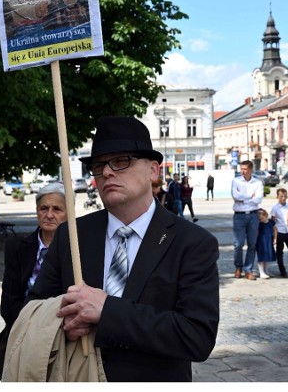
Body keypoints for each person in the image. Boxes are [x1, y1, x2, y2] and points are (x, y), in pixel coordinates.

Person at [27, 116, 219, 381]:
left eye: (120, 161)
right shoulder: (71, 235)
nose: (106, 172)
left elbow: (196, 337)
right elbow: (36, 308)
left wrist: (107, 311)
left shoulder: (192, 243)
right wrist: (62, 324)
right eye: (98, 165)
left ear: (153, 170)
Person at [0, 182, 68, 380]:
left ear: (68, 213)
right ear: (37, 212)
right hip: (24, 329)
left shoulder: (77, 250)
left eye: (57, 209)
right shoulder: (17, 246)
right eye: (44, 208)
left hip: (63, 334)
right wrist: (31, 327)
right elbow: (8, 303)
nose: (49, 214)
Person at [231, 160, 264, 280]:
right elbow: (235, 196)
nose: (242, 171)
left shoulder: (257, 183)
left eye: (245, 169)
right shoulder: (236, 181)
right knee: (238, 244)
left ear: (251, 170)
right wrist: (250, 196)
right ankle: (238, 267)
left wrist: (244, 198)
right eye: (242, 168)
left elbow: (259, 199)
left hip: (253, 216)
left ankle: (248, 269)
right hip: (239, 215)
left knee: (252, 244)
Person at [270, 188, 288, 278]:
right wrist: (274, 235)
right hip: (280, 232)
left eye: (285, 196)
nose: (283, 198)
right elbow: (273, 221)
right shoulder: (275, 208)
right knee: (279, 252)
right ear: (277, 197)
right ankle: (282, 270)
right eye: (281, 196)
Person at [255, 208, 276, 279]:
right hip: (261, 242)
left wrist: (275, 238)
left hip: (269, 241)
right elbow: (257, 233)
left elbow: (275, 229)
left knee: (267, 256)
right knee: (261, 257)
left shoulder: (271, 222)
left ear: (266, 215)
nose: (261, 220)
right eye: (259, 219)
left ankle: (265, 270)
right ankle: (261, 272)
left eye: (262, 218)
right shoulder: (259, 224)